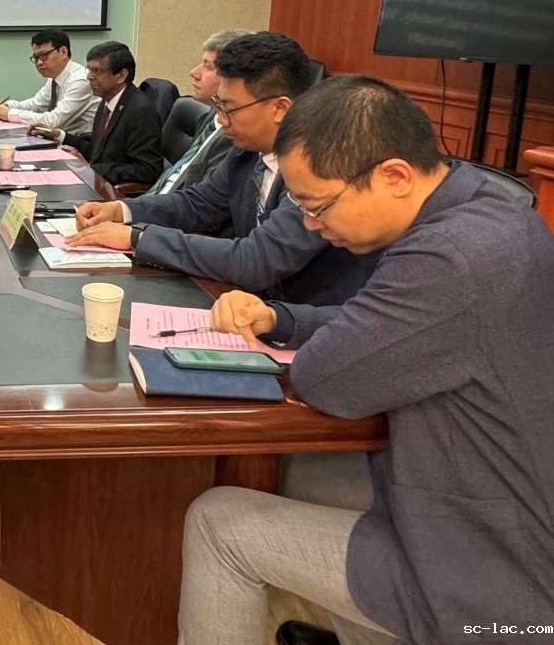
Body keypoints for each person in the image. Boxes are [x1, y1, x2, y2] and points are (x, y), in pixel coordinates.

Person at [181, 75, 554, 645]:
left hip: (495, 569)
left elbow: (324, 377)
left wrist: (312, 334)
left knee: (217, 521)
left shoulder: (447, 257)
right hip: (484, 488)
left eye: (317, 205)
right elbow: (397, 326)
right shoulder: (489, 207)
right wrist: (282, 318)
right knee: (295, 471)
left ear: (394, 176)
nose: (311, 224)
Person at [69, 32, 378, 307]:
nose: (220, 118)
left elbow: (257, 259)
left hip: (303, 322)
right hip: (245, 305)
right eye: (218, 105)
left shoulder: (320, 167)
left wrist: (137, 238)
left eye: (229, 108)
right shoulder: (247, 151)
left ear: (280, 108)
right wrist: (122, 210)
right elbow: (196, 204)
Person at [27, 40, 162, 185]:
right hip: (96, 181)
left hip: (112, 191)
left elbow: (148, 170)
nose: (89, 77)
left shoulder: (140, 110)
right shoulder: (106, 101)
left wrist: (89, 168)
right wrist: (58, 135)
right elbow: (96, 151)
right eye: (89, 69)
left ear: (121, 76)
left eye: (98, 71)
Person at [144, 28, 252, 195]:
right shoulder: (213, 115)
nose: (194, 73)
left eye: (208, 66)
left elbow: (201, 201)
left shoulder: (235, 134)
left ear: (232, 76)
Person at [0, 27, 99, 134]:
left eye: (44, 55)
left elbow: (53, 121)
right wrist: (8, 106)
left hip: (77, 142)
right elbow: (36, 105)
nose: (39, 62)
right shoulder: (54, 78)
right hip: (55, 140)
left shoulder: (80, 80)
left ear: (63, 52)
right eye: (36, 57)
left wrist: (10, 114)